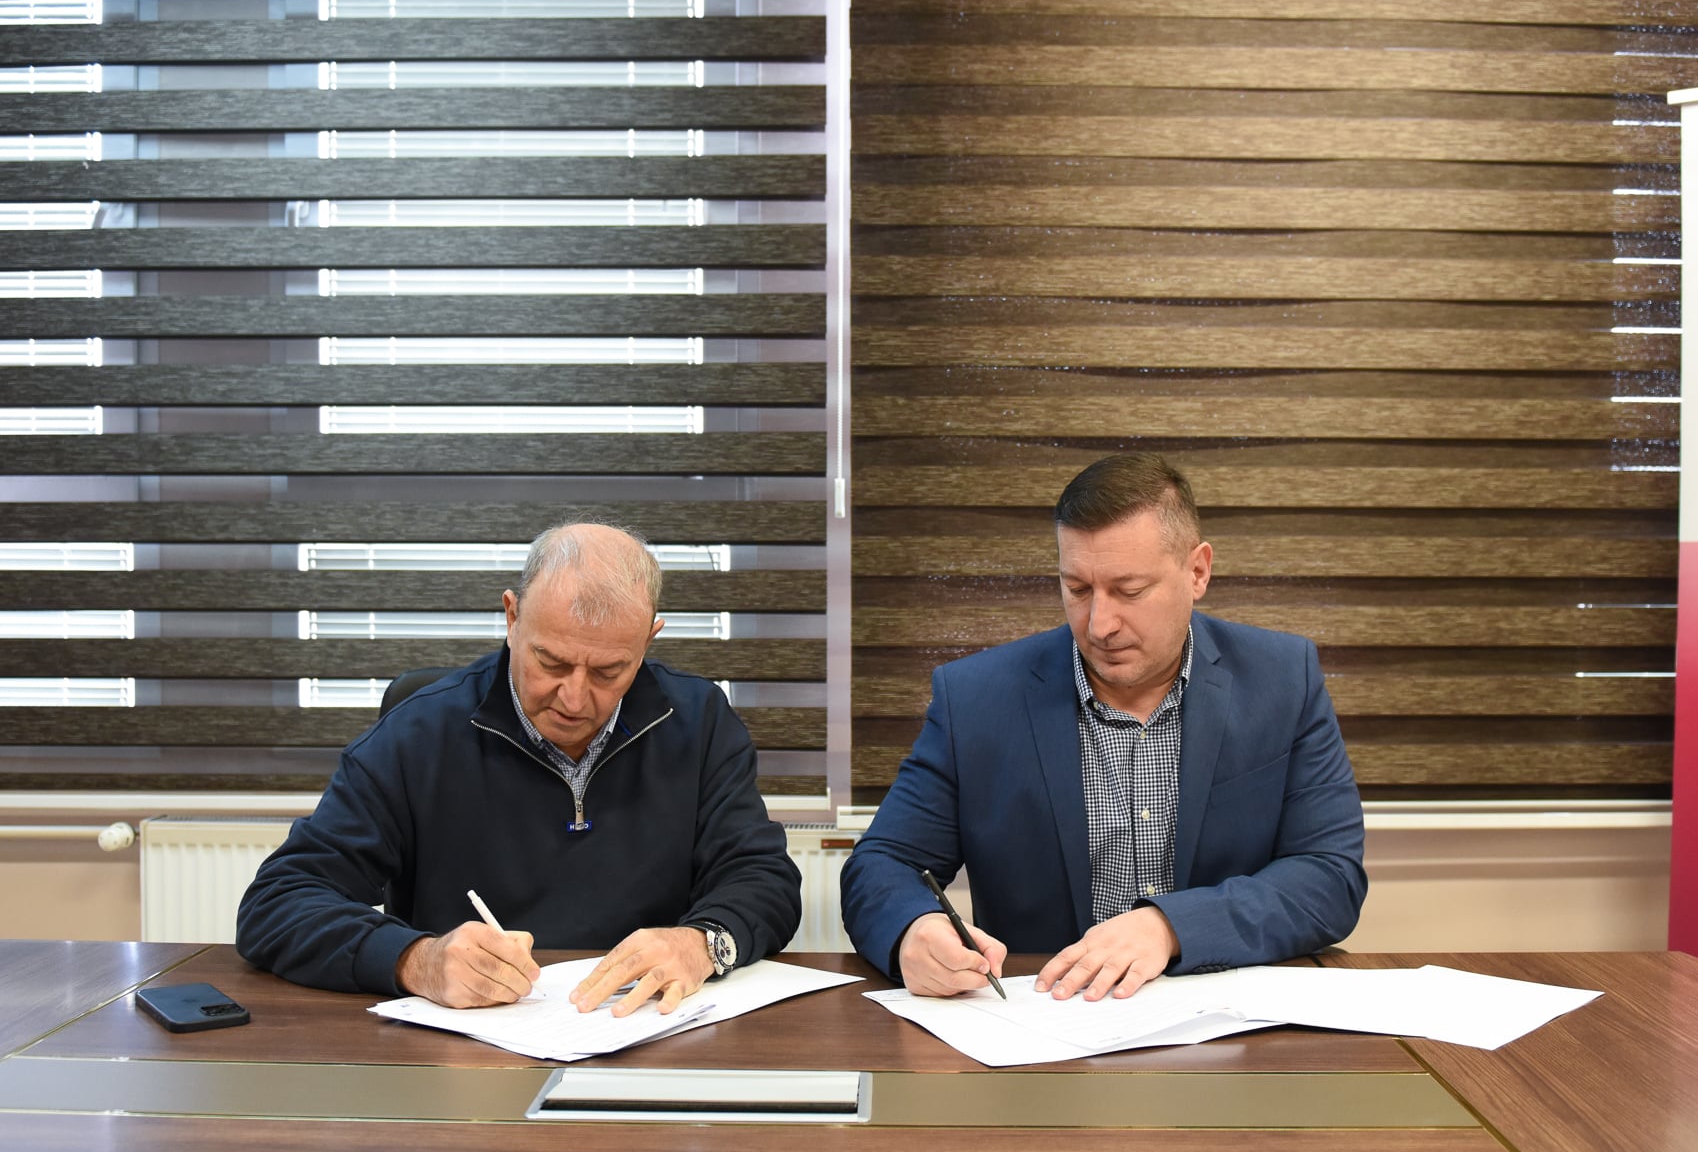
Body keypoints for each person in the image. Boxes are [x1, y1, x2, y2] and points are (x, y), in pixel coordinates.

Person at [841, 453, 1365, 1002]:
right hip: (1045, 1018)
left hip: (1229, 1018)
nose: (1099, 625)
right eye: (1078, 589)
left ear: (1197, 571)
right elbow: (882, 865)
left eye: (1130, 590)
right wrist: (914, 930)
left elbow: (1329, 876)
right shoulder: (976, 699)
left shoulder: (1283, 679)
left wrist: (1170, 926)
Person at [236, 521, 802, 1018]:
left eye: (608, 671)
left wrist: (702, 944)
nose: (574, 699)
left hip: (648, 1026)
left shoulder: (699, 724)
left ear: (649, 637)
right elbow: (278, 903)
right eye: (550, 662)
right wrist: (416, 960)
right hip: (468, 1053)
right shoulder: (418, 735)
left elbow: (763, 880)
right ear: (512, 617)